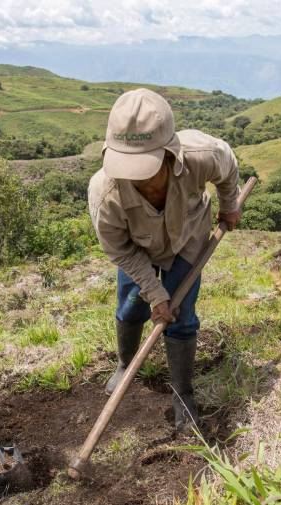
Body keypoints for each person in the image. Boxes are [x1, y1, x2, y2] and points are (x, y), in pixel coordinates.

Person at [87, 88, 240, 431]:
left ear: (170, 153)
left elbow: (228, 168)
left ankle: (182, 394)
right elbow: (120, 250)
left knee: (181, 315)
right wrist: (155, 294)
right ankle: (126, 363)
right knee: (132, 307)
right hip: (138, 249)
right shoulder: (105, 193)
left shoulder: (202, 155)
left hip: (187, 238)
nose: (137, 178)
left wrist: (230, 206)